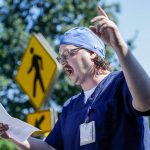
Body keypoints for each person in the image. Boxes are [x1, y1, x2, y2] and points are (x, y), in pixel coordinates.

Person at [0, 6, 150, 150]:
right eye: (61, 58)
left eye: (69, 54)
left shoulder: (123, 83)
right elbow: (50, 148)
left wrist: (118, 45)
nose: (64, 62)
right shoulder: (70, 107)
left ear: (93, 53)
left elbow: (146, 100)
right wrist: (12, 134)